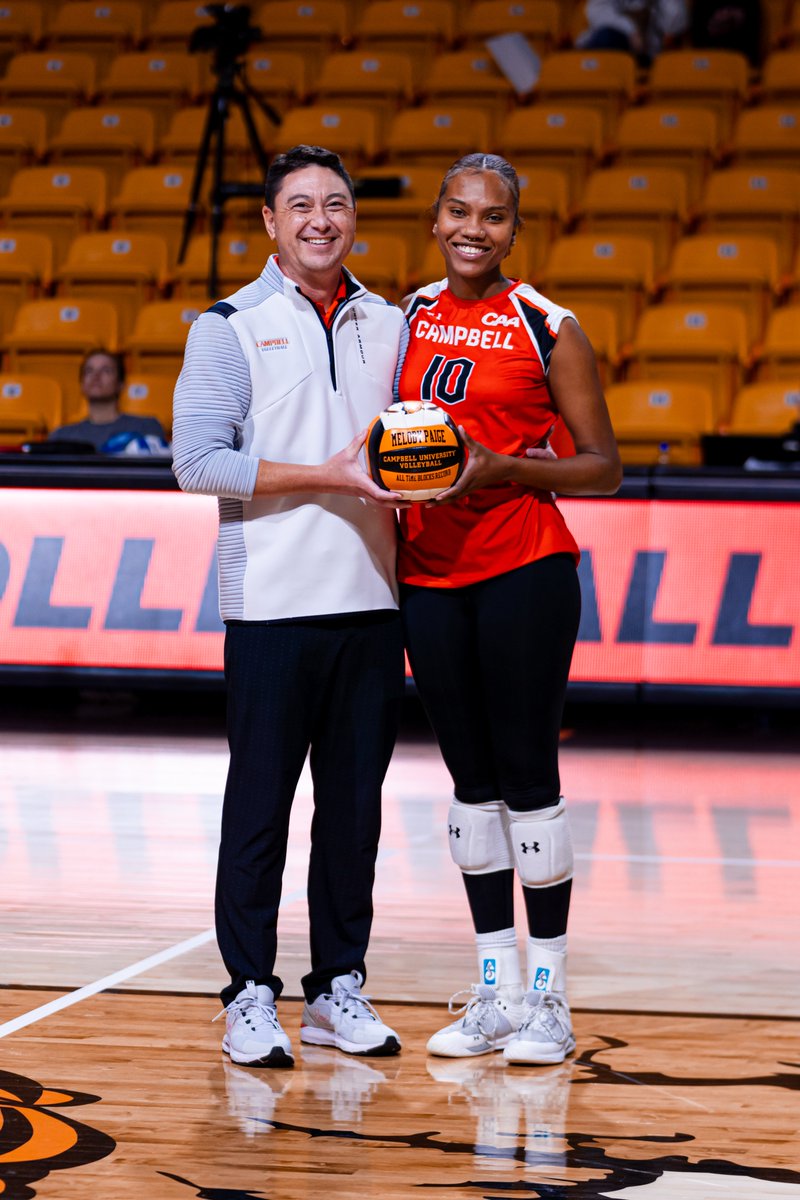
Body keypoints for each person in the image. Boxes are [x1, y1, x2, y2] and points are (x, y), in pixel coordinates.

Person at [171, 145, 408, 1069]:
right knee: (260, 810)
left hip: (372, 603)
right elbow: (198, 463)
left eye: (337, 203)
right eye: (300, 204)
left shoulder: (389, 323)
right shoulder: (227, 326)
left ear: (354, 218)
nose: (321, 219)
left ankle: (337, 987)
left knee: (354, 812)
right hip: (270, 606)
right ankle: (248, 994)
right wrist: (329, 474)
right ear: (269, 221)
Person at [398, 154, 621, 1065]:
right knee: (468, 783)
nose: (473, 229)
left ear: (513, 231)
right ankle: (491, 992)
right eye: (459, 210)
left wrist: (502, 467)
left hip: (524, 566)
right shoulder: (407, 313)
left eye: (493, 217)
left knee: (528, 777)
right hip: (428, 571)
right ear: (437, 217)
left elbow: (602, 467)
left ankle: (549, 1001)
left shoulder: (547, 325)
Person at [48, 350, 170, 454]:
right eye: (89, 371)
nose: (96, 376)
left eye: (106, 370)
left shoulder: (147, 427)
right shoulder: (61, 437)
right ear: (81, 384)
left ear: (121, 384)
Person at [577, 0, 688, 65]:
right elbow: (597, 12)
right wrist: (631, 30)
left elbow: (676, 19)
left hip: (650, 52)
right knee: (606, 37)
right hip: (615, 44)